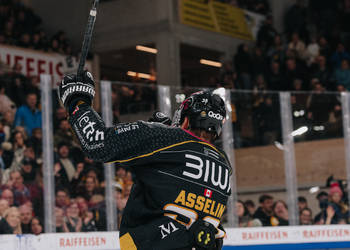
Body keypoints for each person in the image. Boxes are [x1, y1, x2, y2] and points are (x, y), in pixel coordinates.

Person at [58, 71, 231, 249]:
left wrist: (77, 101)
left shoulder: (165, 138)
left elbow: (97, 142)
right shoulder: (224, 164)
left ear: (185, 120)